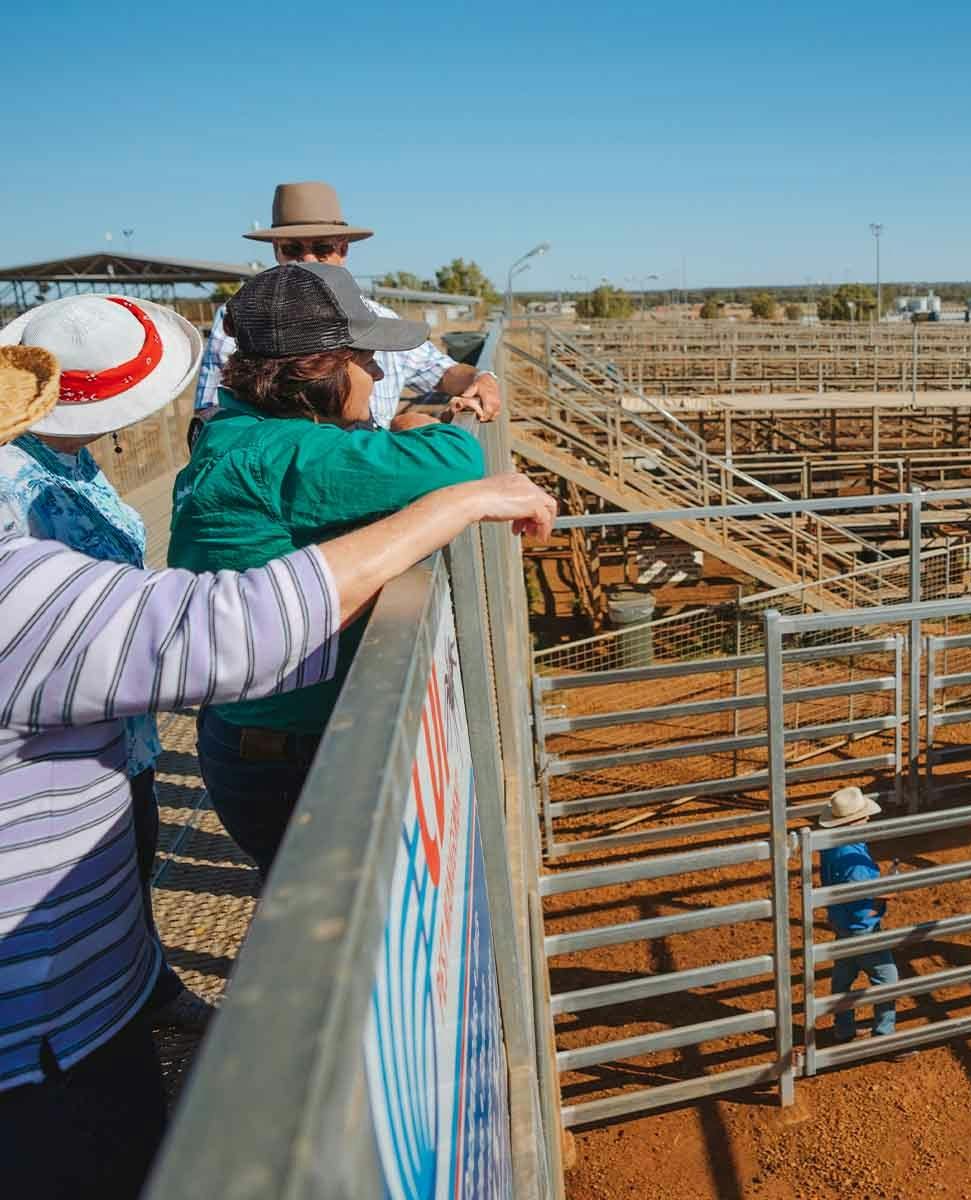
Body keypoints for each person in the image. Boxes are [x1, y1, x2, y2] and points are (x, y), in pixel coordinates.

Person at [0, 342, 558, 1200]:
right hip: (41, 1032)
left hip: (73, 989)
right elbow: (235, 627)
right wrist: (461, 501)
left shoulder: (231, 439)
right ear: (321, 371)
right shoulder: (22, 591)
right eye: (369, 358)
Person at [171, 261, 494, 875]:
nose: (376, 373)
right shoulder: (287, 452)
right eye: (364, 359)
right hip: (287, 755)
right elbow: (455, 459)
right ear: (318, 370)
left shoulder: (238, 428)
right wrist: (416, 426)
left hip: (254, 739)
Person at [0, 293, 216, 1030]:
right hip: (69, 745)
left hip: (110, 728)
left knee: (130, 863)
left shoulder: (57, 457)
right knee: (101, 876)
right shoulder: (21, 489)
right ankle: (114, 1011)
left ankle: (143, 983)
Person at [191, 181, 499, 438]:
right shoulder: (249, 322)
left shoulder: (382, 320)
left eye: (322, 248)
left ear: (343, 249)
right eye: (294, 249)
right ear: (277, 252)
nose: (308, 260)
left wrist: (483, 378)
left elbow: (442, 371)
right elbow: (213, 413)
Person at [815, 787, 900, 1044]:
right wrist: (893, 884)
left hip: (841, 922)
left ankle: (843, 1029)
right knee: (887, 979)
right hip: (862, 924)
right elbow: (872, 889)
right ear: (853, 822)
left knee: (843, 976)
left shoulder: (831, 846)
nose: (868, 819)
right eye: (864, 817)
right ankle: (884, 1036)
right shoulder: (851, 854)